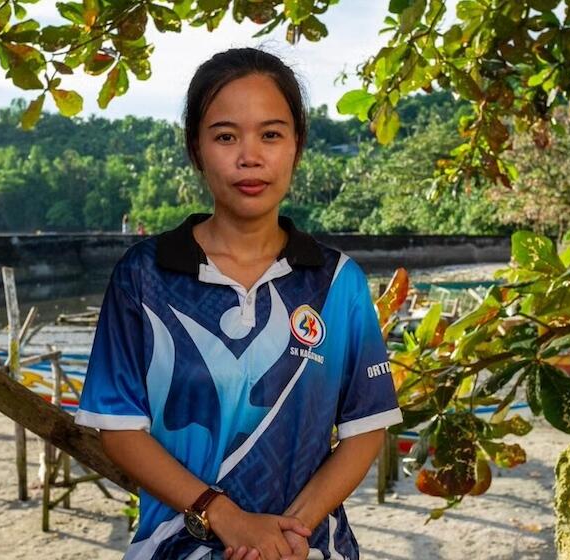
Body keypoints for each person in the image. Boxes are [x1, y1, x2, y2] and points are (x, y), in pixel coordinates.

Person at [74, 47, 402, 560]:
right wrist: (224, 516)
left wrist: (289, 532)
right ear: (196, 149)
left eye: (271, 134)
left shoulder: (338, 283)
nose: (250, 156)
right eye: (226, 136)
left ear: (297, 144)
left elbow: (366, 428)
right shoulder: (143, 277)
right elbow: (119, 429)